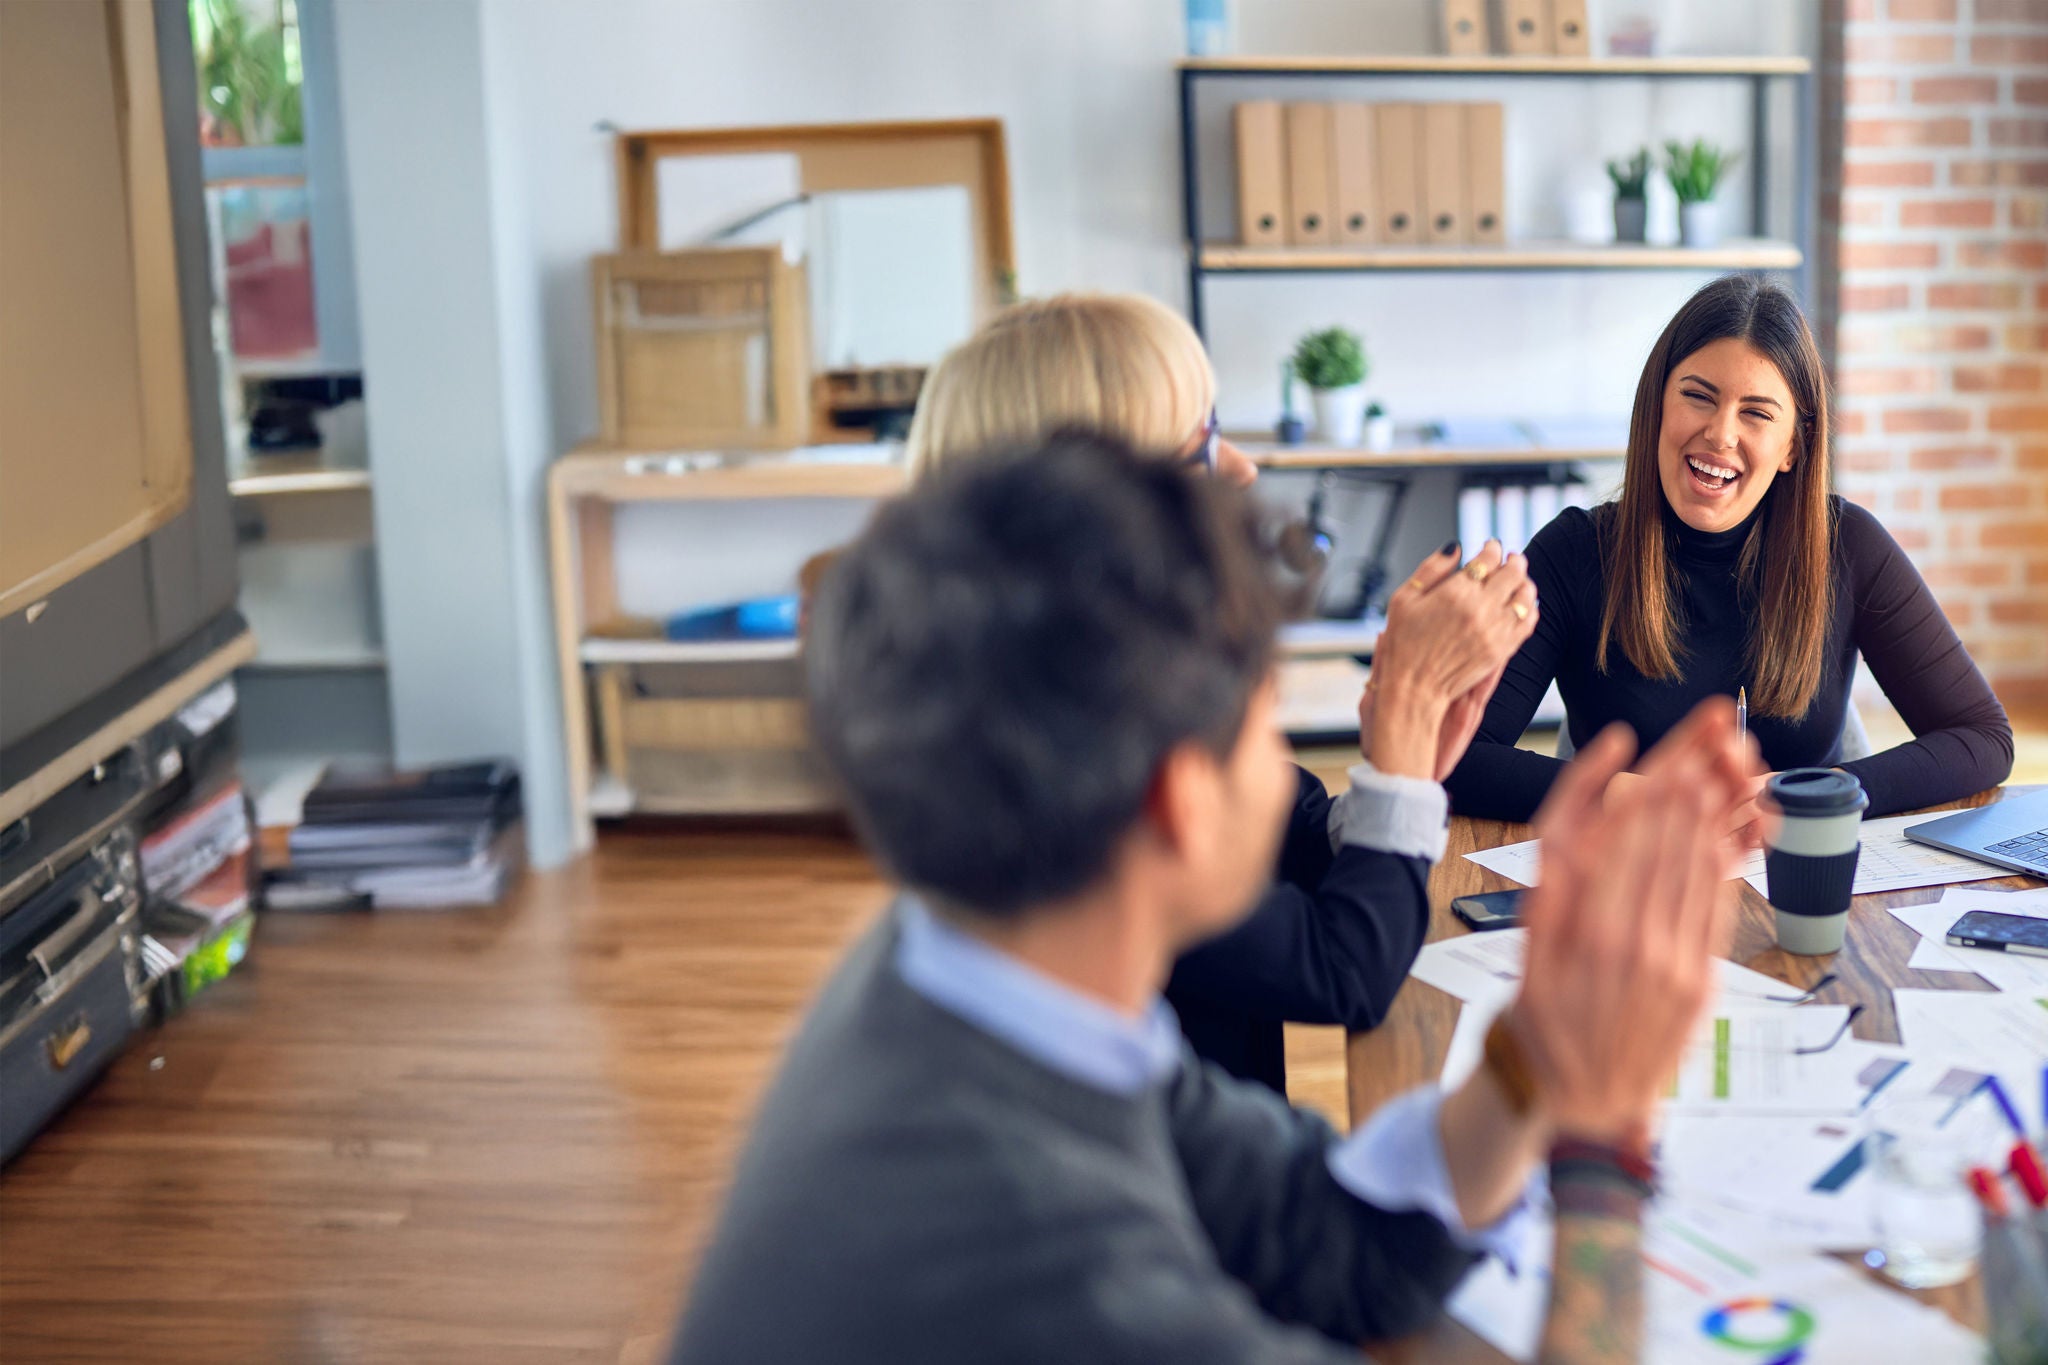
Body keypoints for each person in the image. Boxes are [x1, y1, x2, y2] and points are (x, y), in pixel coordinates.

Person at [668, 433, 1756, 1363]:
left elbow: (1329, 1233)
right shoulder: (1051, 1257)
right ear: (1181, 801)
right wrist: (1603, 1147)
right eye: (1266, 715)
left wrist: (1542, 1052)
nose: (1283, 760)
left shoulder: (973, 979)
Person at [903, 292, 1538, 1091]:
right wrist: (1402, 754)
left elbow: (1286, 832)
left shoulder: (1134, 675)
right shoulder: (1058, 771)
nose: (1242, 468)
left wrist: (1406, 756)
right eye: (1200, 448)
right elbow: (1343, 971)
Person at [1446, 273, 2013, 826]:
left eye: (1757, 413)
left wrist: (1813, 792)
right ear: (1657, 407)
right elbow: (1455, 760)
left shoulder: (1849, 546)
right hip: (1621, 875)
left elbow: (1983, 739)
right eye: (1698, 397)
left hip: (1792, 878)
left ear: (1793, 446)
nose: (1721, 434)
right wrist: (1631, 796)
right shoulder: (1574, 552)